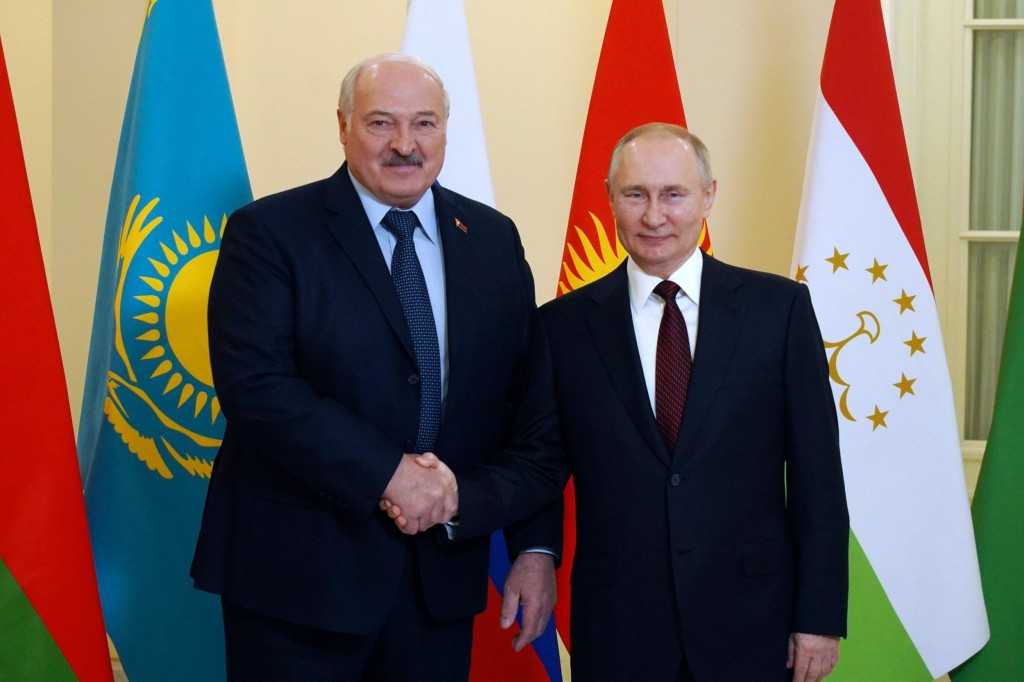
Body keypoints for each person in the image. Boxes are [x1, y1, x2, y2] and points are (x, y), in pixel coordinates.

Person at [388, 123, 849, 681]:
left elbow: (817, 478)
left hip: (753, 623)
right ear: (609, 198)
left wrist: (819, 619)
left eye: (673, 194)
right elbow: (538, 464)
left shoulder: (780, 311)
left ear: (708, 195)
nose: (654, 216)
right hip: (621, 628)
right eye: (636, 195)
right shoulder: (563, 327)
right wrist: (467, 503)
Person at [190, 53, 561, 681]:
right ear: (342, 126)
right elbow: (257, 389)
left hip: (438, 585)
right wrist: (389, 474)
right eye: (381, 124)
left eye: (424, 124)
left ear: (447, 129)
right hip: (299, 583)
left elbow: (529, 410)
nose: (404, 146)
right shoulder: (270, 232)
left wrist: (532, 545)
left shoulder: (494, 239)